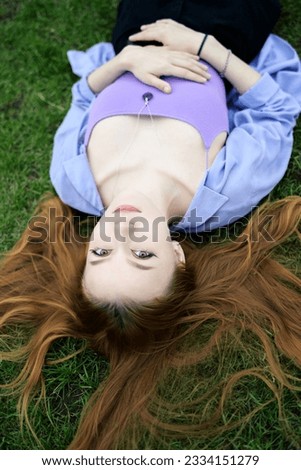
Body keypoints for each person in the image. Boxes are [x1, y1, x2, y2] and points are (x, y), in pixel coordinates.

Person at [0, 0, 300, 450]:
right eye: (142, 255)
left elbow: (85, 96)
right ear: (177, 255)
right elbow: (276, 112)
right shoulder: (221, 192)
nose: (122, 235)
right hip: (226, 22)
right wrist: (205, 47)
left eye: (100, 253)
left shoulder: (72, 178)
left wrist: (125, 61)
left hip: (139, 23)